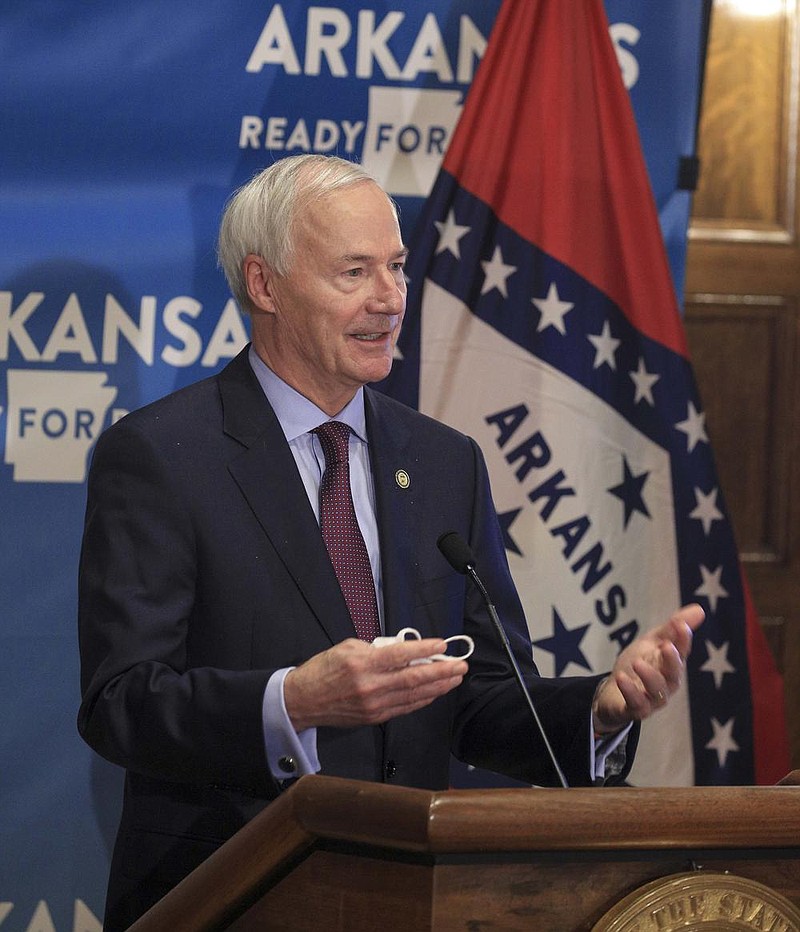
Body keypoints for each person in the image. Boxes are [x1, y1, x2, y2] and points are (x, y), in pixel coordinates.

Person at [77, 153, 704, 930]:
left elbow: (474, 695)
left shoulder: (445, 462)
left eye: (398, 268)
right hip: (227, 897)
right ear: (265, 285)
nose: (390, 300)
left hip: (408, 901)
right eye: (355, 273)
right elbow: (121, 704)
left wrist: (599, 711)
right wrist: (292, 704)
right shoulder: (163, 456)